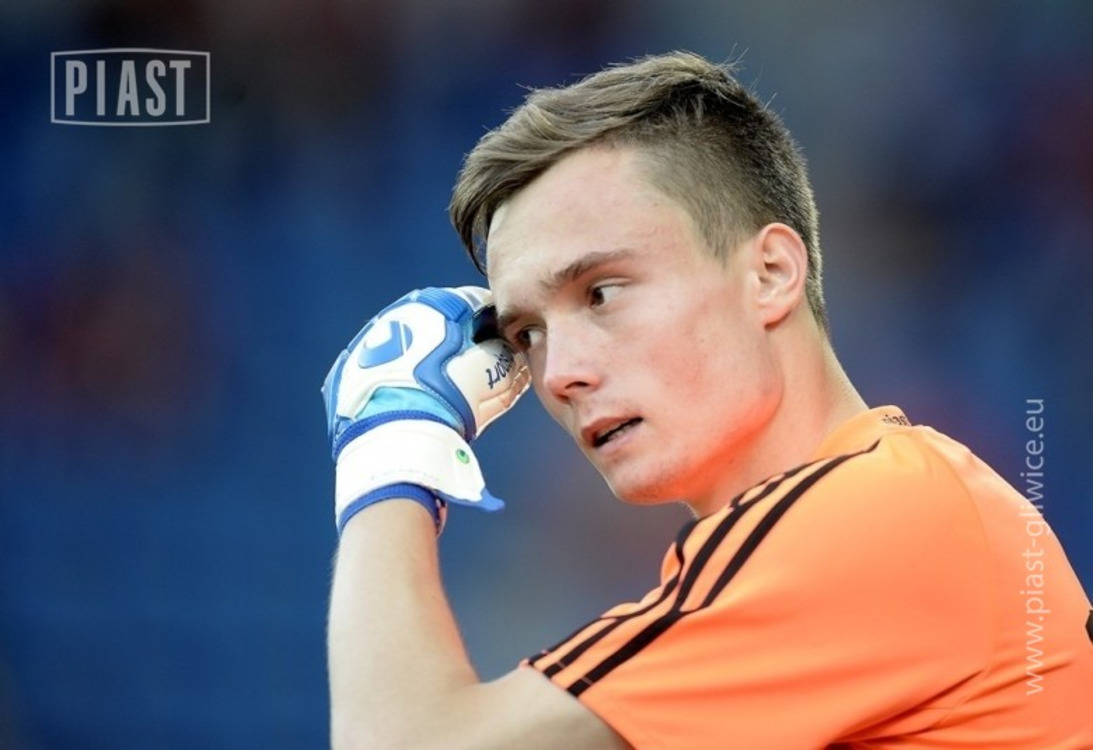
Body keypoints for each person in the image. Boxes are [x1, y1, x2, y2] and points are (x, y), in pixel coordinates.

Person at [321, 51, 1093, 749]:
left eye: (601, 292)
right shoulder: (870, 514)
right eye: (527, 333)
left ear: (770, 274)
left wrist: (389, 442)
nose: (557, 374)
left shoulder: (874, 520)